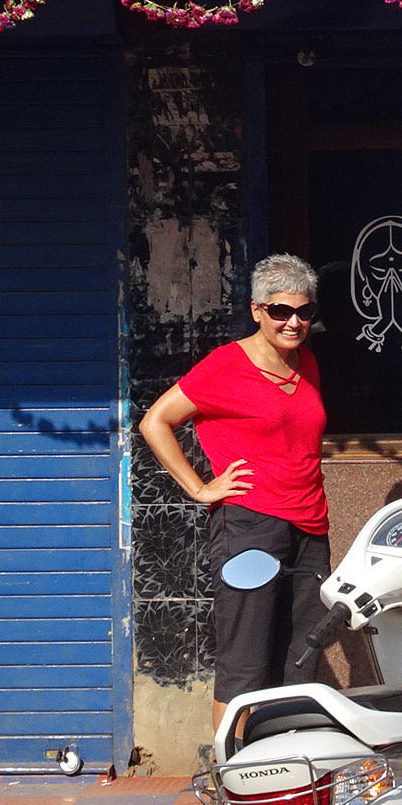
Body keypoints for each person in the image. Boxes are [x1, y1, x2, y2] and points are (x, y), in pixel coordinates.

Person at [138, 255, 332, 727]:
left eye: (304, 312)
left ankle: (288, 758)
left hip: (310, 527)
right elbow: (155, 421)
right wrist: (199, 488)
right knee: (244, 663)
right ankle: (234, 769)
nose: (293, 322)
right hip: (250, 527)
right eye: (281, 311)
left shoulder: (306, 363)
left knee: (301, 658)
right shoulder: (226, 365)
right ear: (257, 310)